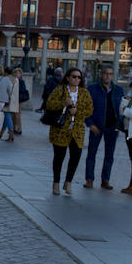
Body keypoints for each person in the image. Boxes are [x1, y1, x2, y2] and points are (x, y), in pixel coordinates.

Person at [47, 67, 93, 196]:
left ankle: (68, 182)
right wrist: (63, 103)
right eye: (74, 76)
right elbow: (49, 104)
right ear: (68, 77)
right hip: (61, 129)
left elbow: (89, 109)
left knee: (75, 156)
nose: (77, 79)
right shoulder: (60, 89)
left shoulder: (84, 93)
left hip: (77, 129)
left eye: (79, 77)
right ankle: (56, 182)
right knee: (59, 157)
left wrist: (77, 111)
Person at [83, 66, 124, 190]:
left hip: (112, 127)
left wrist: (119, 123)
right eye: (106, 73)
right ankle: (89, 179)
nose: (108, 76)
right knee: (91, 154)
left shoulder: (118, 90)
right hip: (96, 126)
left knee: (109, 155)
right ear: (101, 75)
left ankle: (105, 180)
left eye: (110, 74)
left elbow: (122, 109)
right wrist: (90, 124)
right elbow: (86, 108)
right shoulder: (92, 89)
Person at [0, 68, 19, 142]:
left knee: (7, 115)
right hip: (14, 100)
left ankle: (11, 134)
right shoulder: (16, 79)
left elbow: (5, 89)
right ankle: (1, 132)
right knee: (7, 116)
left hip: (7, 100)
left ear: (6, 72)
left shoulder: (6, 79)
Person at [13, 67, 28, 135]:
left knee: (18, 115)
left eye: (18, 73)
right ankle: (14, 128)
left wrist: (17, 87)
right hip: (13, 99)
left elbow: (23, 90)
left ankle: (19, 129)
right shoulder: (13, 80)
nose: (17, 74)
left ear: (21, 74)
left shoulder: (21, 81)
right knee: (14, 114)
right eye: (16, 73)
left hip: (19, 99)